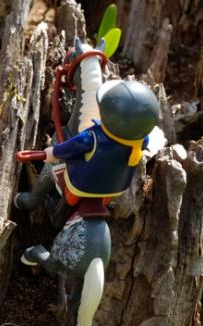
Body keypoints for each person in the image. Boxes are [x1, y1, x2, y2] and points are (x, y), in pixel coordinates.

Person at [14, 79, 161, 227]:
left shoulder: (91, 137)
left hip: (81, 183)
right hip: (114, 187)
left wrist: (52, 152)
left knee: (52, 173)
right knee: (104, 196)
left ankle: (35, 202)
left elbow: (69, 148)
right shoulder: (141, 140)